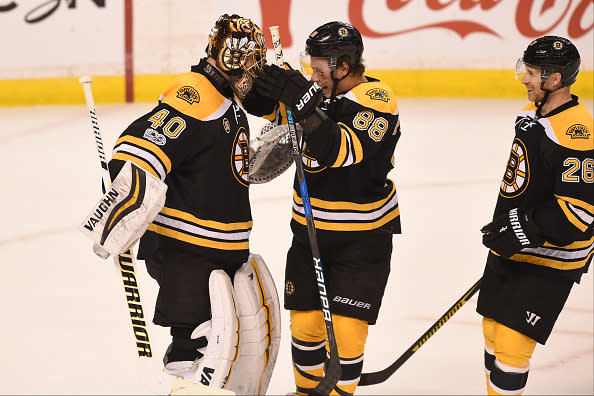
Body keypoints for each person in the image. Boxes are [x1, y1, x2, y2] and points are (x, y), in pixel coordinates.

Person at [80, 14, 281, 395]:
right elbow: (145, 145)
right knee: (194, 345)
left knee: (228, 345)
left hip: (215, 246)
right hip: (187, 249)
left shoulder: (228, 98)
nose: (256, 68)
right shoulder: (197, 93)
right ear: (232, 58)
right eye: (252, 59)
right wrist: (123, 195)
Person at [252, 21, 402, 395]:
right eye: (310, 69)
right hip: (308, 232)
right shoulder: (317, 94)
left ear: (345, 67)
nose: (313, 78)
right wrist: (252, 80)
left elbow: (337, 149)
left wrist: (303, 103)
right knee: (305, 325)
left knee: (348, 332)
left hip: (362, 239)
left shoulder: (378, 100)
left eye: (320, 71)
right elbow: (267, 108)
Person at [477, 36, 593, 395]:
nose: (523, 78)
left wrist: (522, 229)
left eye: (530, 72)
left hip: (553, 256)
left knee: (512, 346)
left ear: (554, 79)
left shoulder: (577, 132)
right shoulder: (531, 114)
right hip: (518, 243)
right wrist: (508, 226)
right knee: (493, 334)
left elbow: (579, 212)